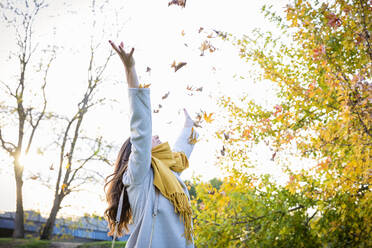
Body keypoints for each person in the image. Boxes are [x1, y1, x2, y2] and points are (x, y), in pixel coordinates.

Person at [104, 40, 198, 248]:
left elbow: (183, 150)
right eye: (150, 139)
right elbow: (141, 130)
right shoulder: (138, 175)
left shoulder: (170, 172)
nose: (155, 136)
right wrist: (130, 70)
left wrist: (190, 125)